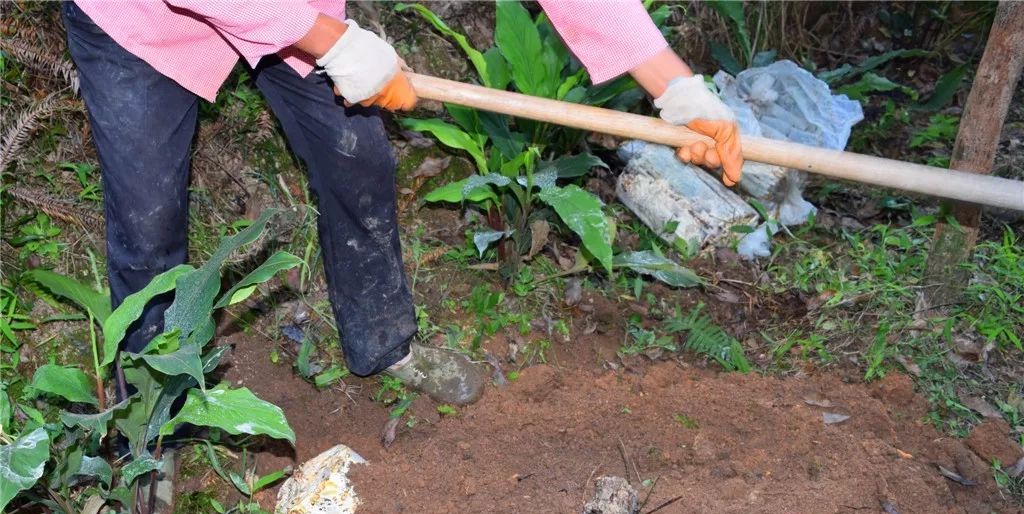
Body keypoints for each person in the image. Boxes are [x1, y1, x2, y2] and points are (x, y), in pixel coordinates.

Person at [63, 0, 742, 406]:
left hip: (301, 13)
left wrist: (673, 85)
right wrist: (336, 43)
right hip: (139, 22)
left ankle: (385, 343)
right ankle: (150, 418)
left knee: (360, 162)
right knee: (147, 221)